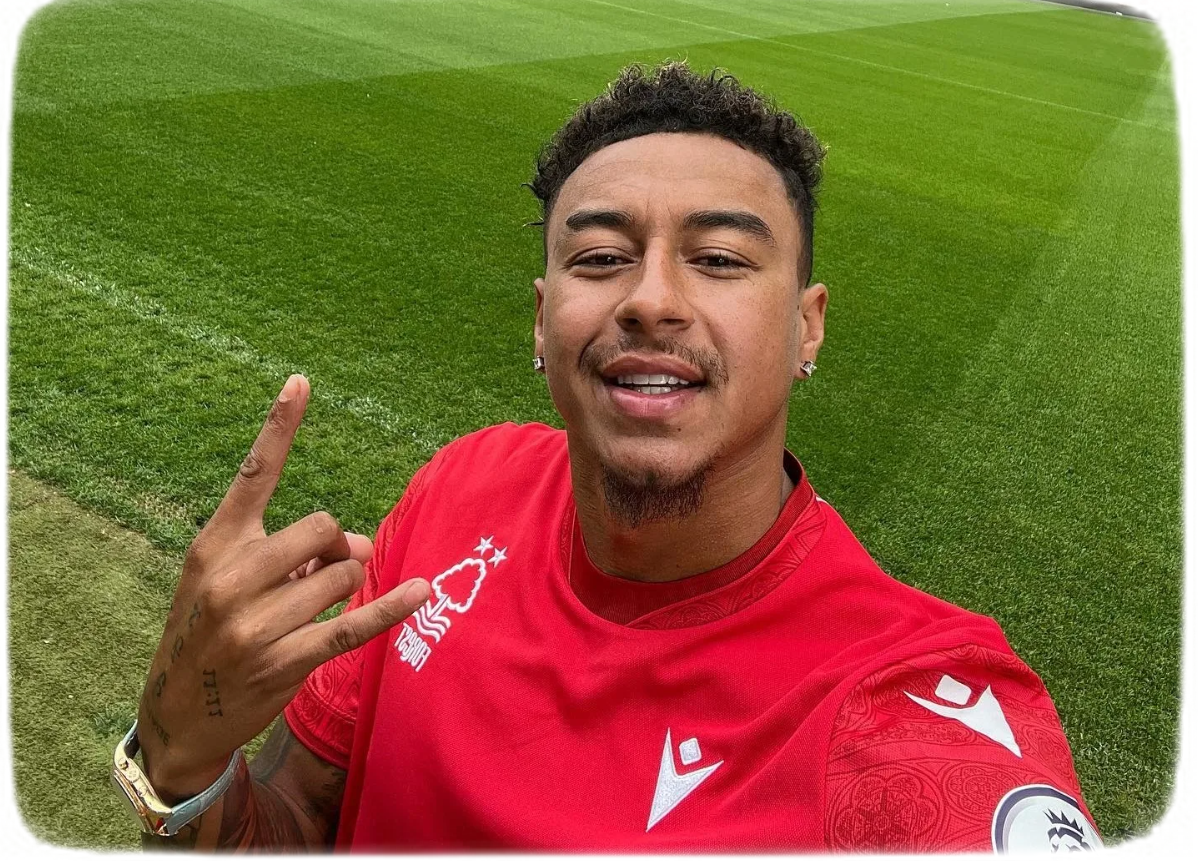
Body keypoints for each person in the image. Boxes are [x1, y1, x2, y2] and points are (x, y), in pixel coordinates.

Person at [112, 62, 1101, 852]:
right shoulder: (462, 487)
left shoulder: (900, 710)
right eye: (599, 258)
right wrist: (181, 762)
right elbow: (297, 820)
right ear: (544, 321)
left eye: (718, 259)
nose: (650, 299)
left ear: (807, 327)